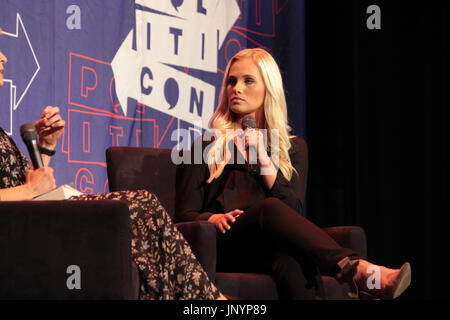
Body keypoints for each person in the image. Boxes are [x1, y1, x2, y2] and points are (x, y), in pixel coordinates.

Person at [175, 47, 412, 300]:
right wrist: (212, 218)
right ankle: (357, 270)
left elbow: (291, 210)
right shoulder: (205, 147)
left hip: (269, 249)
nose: (236, 88)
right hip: (225, 246)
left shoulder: (293, 148)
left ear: (269, 89)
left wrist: (263, 157)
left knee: (294, 262)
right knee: (269, 209)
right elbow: (182, 215)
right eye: (232, 81)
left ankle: (356, 274)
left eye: (248, 81)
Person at [0, 48, 225, 300]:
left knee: (139, 215)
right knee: (137, 205)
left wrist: (46, 145)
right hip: (18, 234)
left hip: (29, 222)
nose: (4, 57)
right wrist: (30, 190)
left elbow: (28, 188)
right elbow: (29, 192)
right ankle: (210, 300)